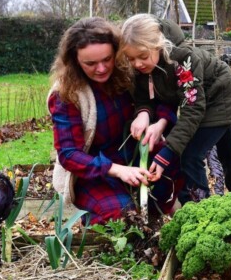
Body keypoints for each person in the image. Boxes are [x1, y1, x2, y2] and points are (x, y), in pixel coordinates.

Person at [120, 13, 231, 203]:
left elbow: (192, 109)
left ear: (159, 45)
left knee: (189, 155)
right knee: (227, 152)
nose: (137, 63)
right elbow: (144, 98)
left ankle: (198, 210)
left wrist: (167, 152)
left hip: (219, 98)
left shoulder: (184, 59)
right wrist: (143, 114)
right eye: (131, 59)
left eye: (142, 56)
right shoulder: (144, 66)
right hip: (201, 101)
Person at [48, 17, 183, 224]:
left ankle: (159, 215)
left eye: (107, 59)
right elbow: (69, 155)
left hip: (135, 156)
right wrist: (117, 170)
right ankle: (99, 224)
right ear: (75, 61)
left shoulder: (129, 71)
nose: (101, 69)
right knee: (123, 215)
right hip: (96, 172)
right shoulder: (67, 94)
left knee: (176, 161)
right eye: (90, 63)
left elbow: (164, 98)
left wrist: (158, 121)